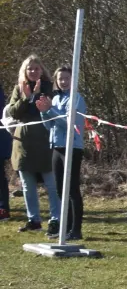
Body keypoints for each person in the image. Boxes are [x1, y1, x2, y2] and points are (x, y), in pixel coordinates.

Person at [4, 56, 58, 233]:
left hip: (46, 142)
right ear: (25, 71)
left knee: (51, 184)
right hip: (23, 144)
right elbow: (13, 112)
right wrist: (26, 97)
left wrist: (36, 96)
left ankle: (56, 220)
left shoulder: (50, 88)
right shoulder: (18, 89)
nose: (33, 72)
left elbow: (48, 111)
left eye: (36, 68)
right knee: (27, 185)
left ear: (42, 70)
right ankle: (33, 220)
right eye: (30, 69)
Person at [45, 66, 87, 241]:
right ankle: (65, 228)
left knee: (72, 190)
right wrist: (44, 111)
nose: (63, 82)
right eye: (60, 78)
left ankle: (76, 230)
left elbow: (70, 125)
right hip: (56, 146)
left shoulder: (76, 99)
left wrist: (51, 110)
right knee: (60, 190)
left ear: (73, 79)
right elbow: (49, 125)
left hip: (72, 147)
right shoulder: (55, 99)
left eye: (66, 78)